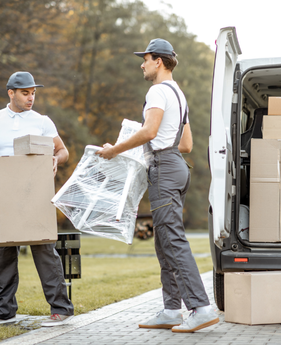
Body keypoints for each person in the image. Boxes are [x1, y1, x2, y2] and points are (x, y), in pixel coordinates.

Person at [96, 38, 219, 333]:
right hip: (176, 165)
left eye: (146, 58)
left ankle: (200, 308)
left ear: (159, 61)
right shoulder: (179, 94)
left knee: (172, 239)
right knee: (163, 240)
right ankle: (171, 309)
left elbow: (149, 130)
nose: (142, 63)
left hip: (164, 168)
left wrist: (115, 150)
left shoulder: (156, 92)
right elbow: (186, 144)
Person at [0, 71, 74, 327]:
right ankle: (3, 310)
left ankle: (61, 309)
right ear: (11, 93)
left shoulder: (42, 121)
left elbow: (63, 151)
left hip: (37, 193)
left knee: (45, 249)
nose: (31, 97)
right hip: (7, 193)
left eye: (33, 93)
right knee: (3, 251)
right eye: (25, 93)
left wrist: (55, 159)